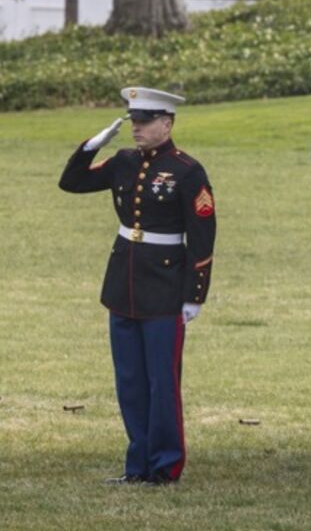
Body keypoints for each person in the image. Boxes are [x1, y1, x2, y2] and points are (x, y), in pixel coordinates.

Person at [59, 87, 216, 485]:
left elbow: (202, 236)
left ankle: (165, 466)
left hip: (164, 289)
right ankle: (137, 465)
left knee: (161, 383)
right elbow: (71, 183)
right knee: (129, 382)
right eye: (133, 122)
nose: (137, 129)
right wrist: (93, 145)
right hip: (123, 284)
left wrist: (194, 295)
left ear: (167, 123)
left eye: (145, 122)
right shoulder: (124, 162)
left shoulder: (187, 171)